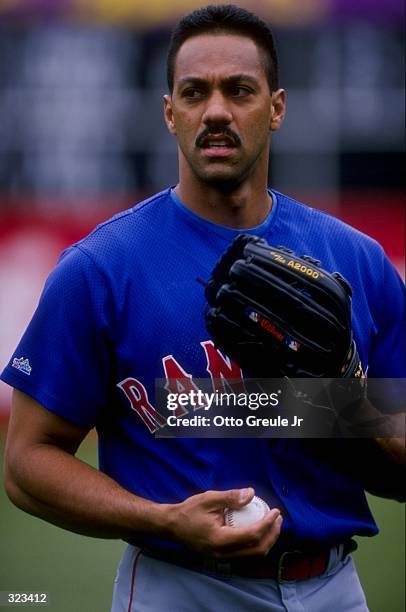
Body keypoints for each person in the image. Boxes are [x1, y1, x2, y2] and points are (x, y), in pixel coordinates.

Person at [2, 4, 405, 611]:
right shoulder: (100, 268)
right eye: (195, 92)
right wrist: (161, 519)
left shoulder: (359, 263)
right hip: (180, 585)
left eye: (240, 90)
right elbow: (28, 461)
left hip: (334, 588)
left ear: (277, 107)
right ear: (170, 113)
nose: (216, 111)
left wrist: (340, 394)